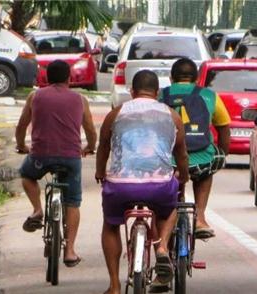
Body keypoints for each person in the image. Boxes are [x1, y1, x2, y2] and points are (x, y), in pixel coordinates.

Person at [96, 70, 190, 294]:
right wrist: (183, 177)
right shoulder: (172, 116)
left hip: (120, 186)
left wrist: (100, 172)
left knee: (110, 224)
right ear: (157, 93)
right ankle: (163, 248)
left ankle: (115, 285)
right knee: (172, 207)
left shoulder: (116, 114)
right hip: (159, 185)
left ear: (132, 92)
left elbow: (103, 146)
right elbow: (182, 154)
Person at [15, 60, 97, 267]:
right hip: (70, 157)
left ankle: (37, 210)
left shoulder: (35, 96)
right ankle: (69, 251)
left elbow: (22, 125)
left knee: (27, 175)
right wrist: (90, 147)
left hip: (40, 156)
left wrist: (21, 145)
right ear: (69, 78)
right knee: (73, 202)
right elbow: (90, 130)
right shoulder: (80, 99)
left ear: (46, 78)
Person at [159, 58, 231, 240]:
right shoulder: (209, 95)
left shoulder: (161, 95)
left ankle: (174, 211)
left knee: (175, 182)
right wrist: (222, 153)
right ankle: (200, 217)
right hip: (201, 159)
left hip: (169, 160)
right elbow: (224, 127)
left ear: (171, 78)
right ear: (197, 79)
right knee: (206, 170)